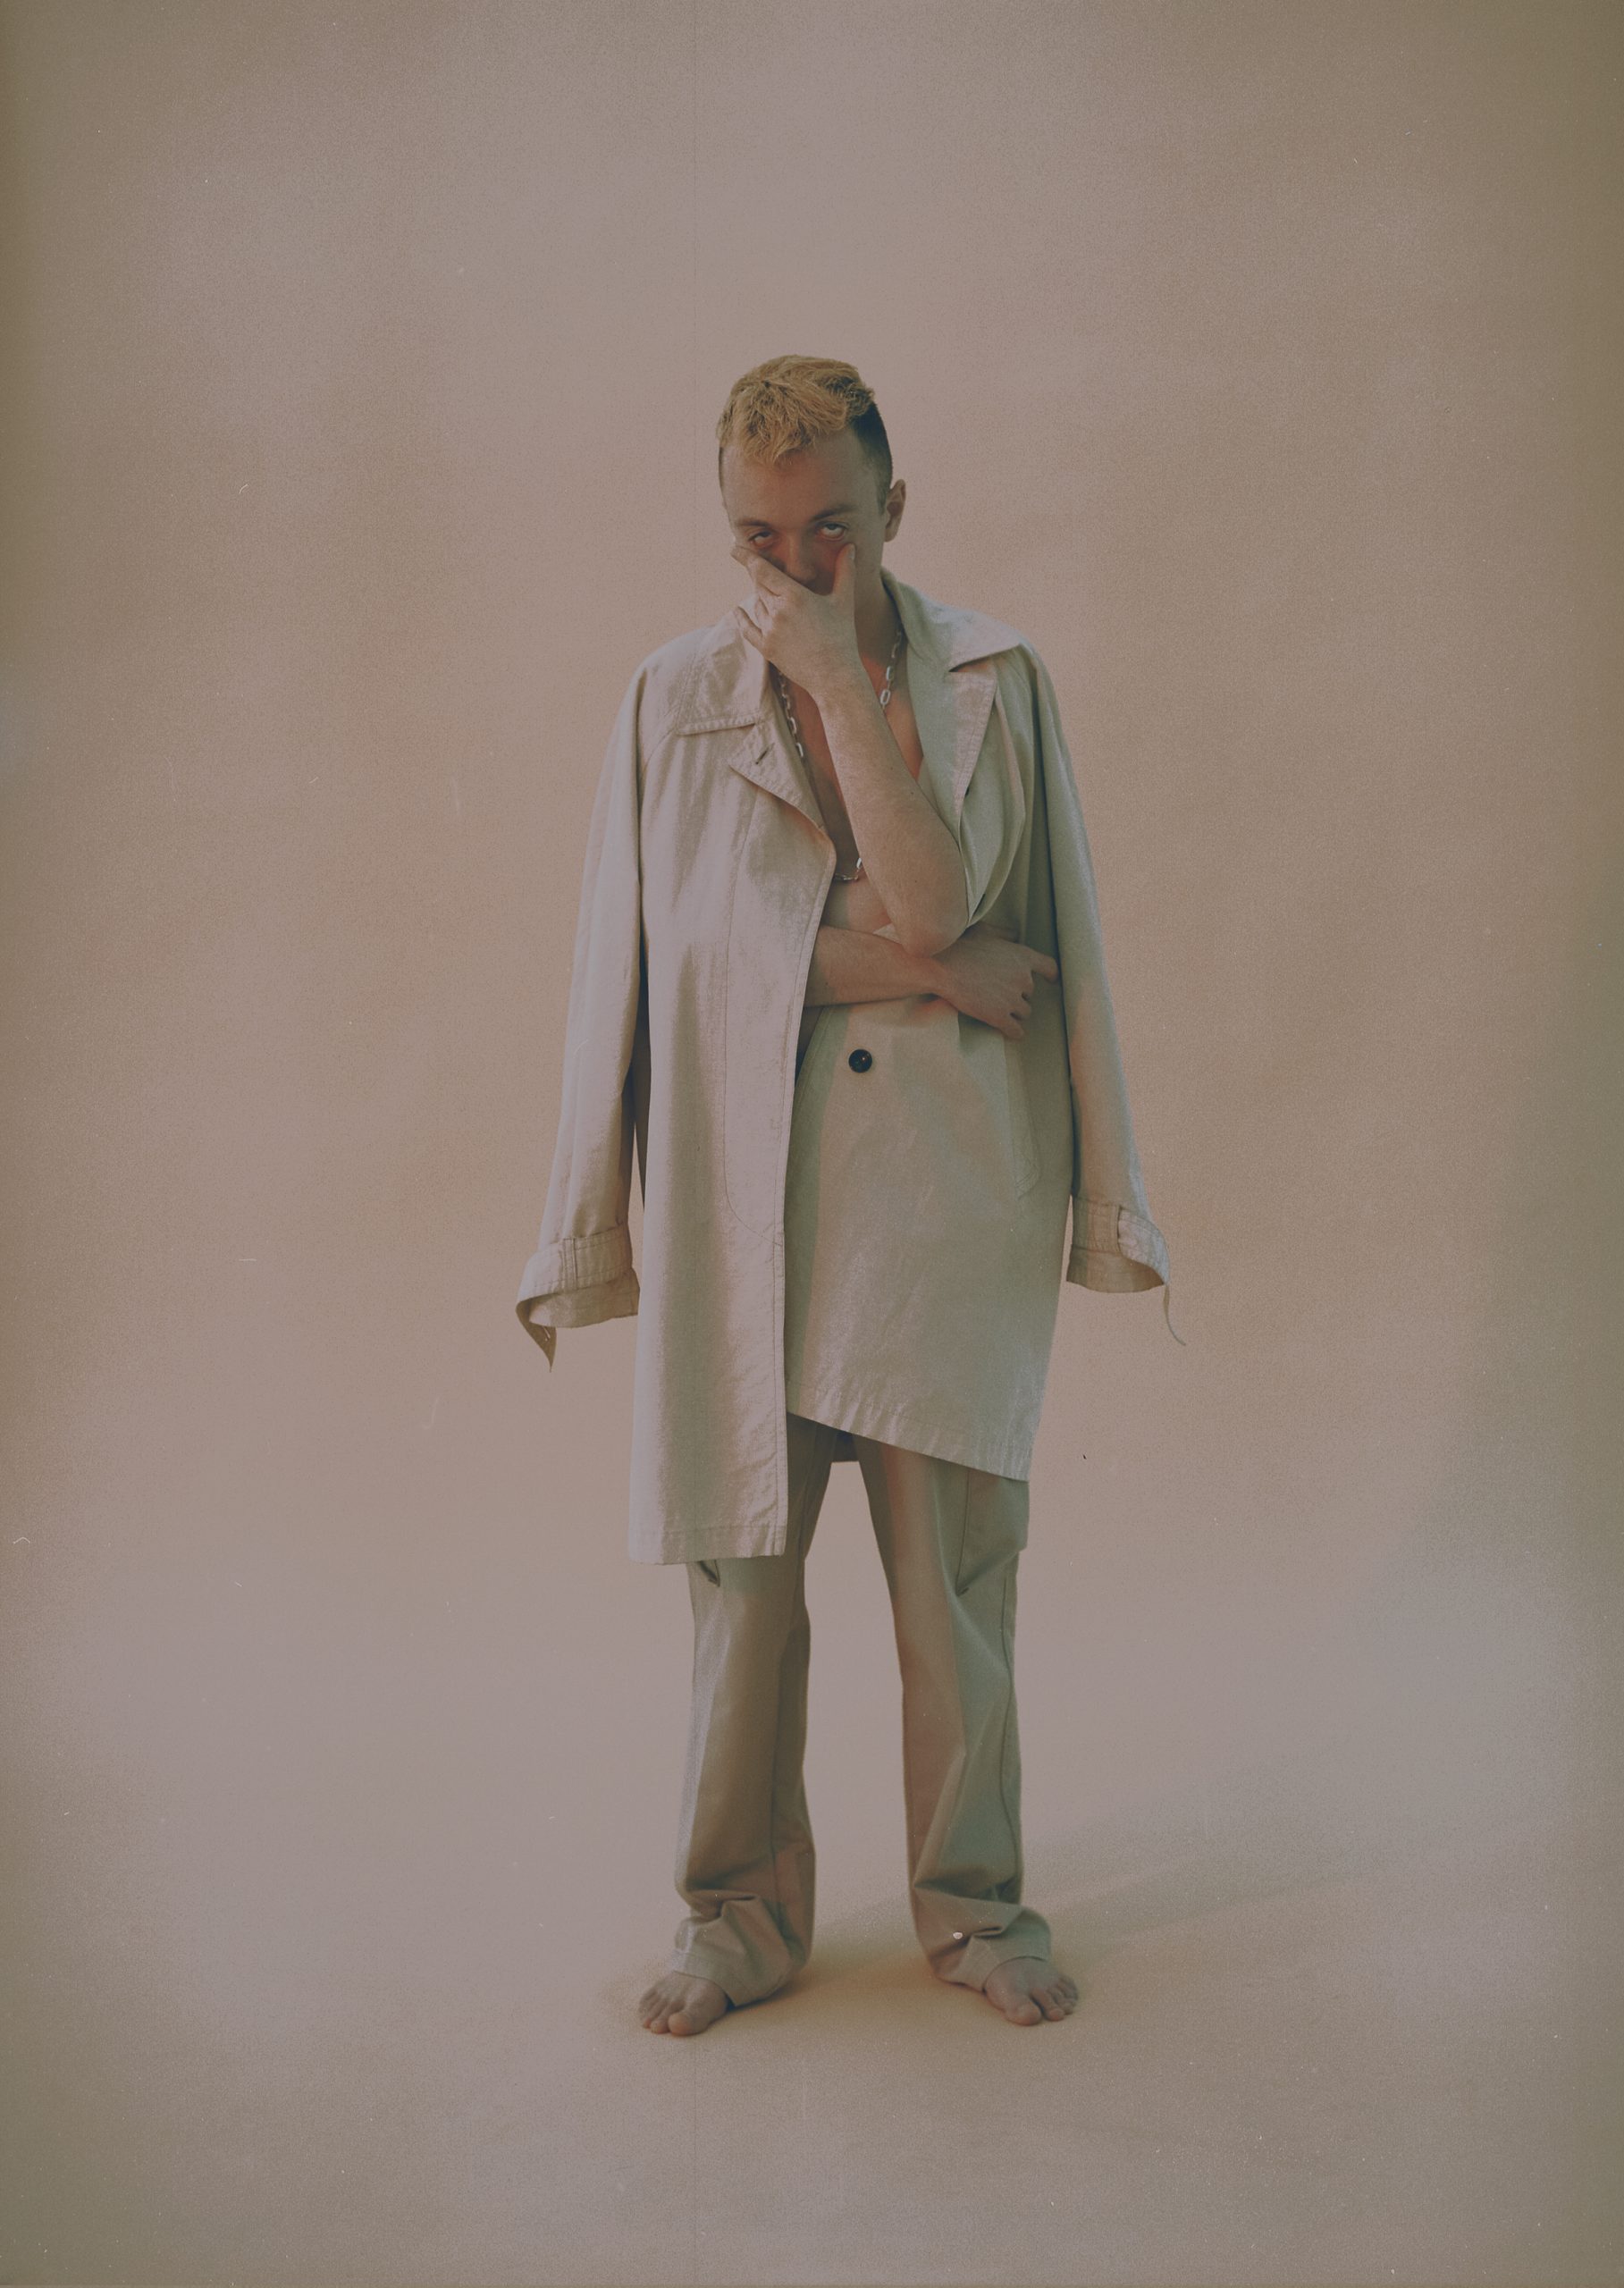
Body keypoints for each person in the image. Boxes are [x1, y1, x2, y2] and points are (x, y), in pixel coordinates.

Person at [515, 355, 1179, 2039]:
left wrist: (831, 683)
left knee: (956, 1583)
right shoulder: (671, 699)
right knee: (740, 1591)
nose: (797, 566)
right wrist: (926, 972)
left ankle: (976, 1909)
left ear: (894, 509)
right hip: (744, 1197)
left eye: (830, 530)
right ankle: (734, 1919)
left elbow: (978, 908)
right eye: (759, 537)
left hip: (944, 1201)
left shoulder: (995, 681)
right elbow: (665, 964)